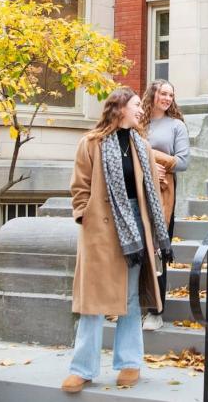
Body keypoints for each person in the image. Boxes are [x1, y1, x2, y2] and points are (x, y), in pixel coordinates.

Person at [62, 87, 173, 393]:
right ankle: (82, 368)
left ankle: (129, 362)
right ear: (120, 107)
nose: (141, 110)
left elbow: (154, 188)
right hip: (101, 229)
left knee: (131, 298)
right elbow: (79, 186)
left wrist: (154, 227)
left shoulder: (141, 145)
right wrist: (85, 215)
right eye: (137, 105)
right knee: (92, 300)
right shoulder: (92, 143)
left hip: (137, 227)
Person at [138, 79, 190, 332]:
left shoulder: (176, 125)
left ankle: (155, 311)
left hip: (164, 192)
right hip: (137, 189)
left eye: (171, 94)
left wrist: (153, 157)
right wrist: (149, 163)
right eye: (163, 93)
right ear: (153, 95)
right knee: (137, 247)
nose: (167, 98)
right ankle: (133, 304)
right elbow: (130, 151)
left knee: (158, 249)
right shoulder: (139, 122)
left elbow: (182, 162)